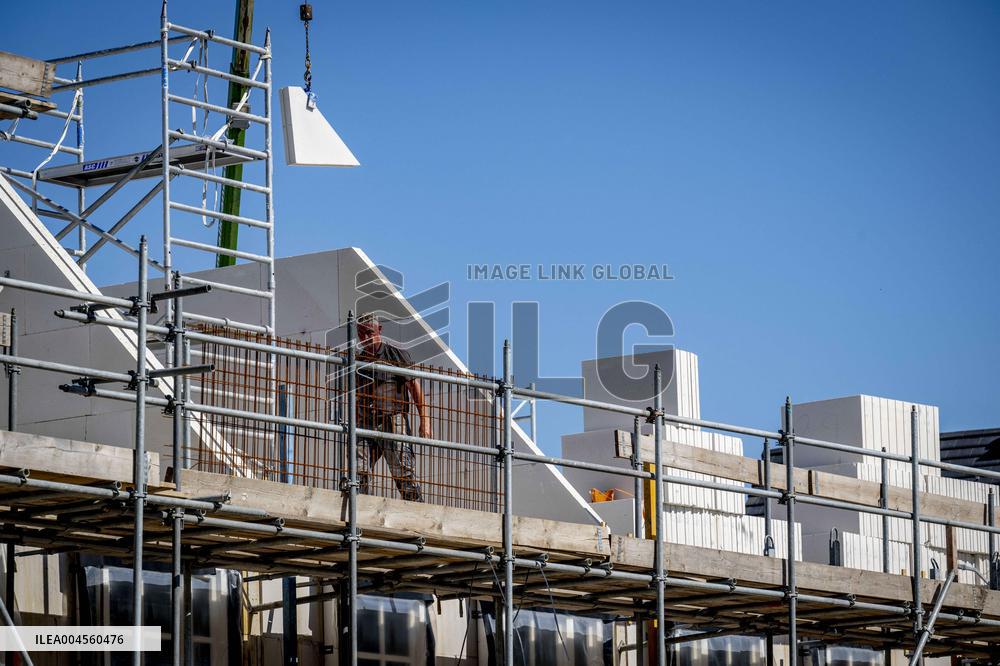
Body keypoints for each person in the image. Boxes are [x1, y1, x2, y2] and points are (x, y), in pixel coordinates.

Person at [354, 312, 429, 502]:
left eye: (369, 332)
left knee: (402, 470)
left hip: (393, 421)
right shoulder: (359, 361)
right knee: (357, 467)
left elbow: (414, 386)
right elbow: (358, 395)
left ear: (379, 330)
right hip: (367, 422)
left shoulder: (396, 355)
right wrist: (356, 420)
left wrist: (424, 421)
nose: (365, 338)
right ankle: (360, 506)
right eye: (361, 333)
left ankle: (416, 510)